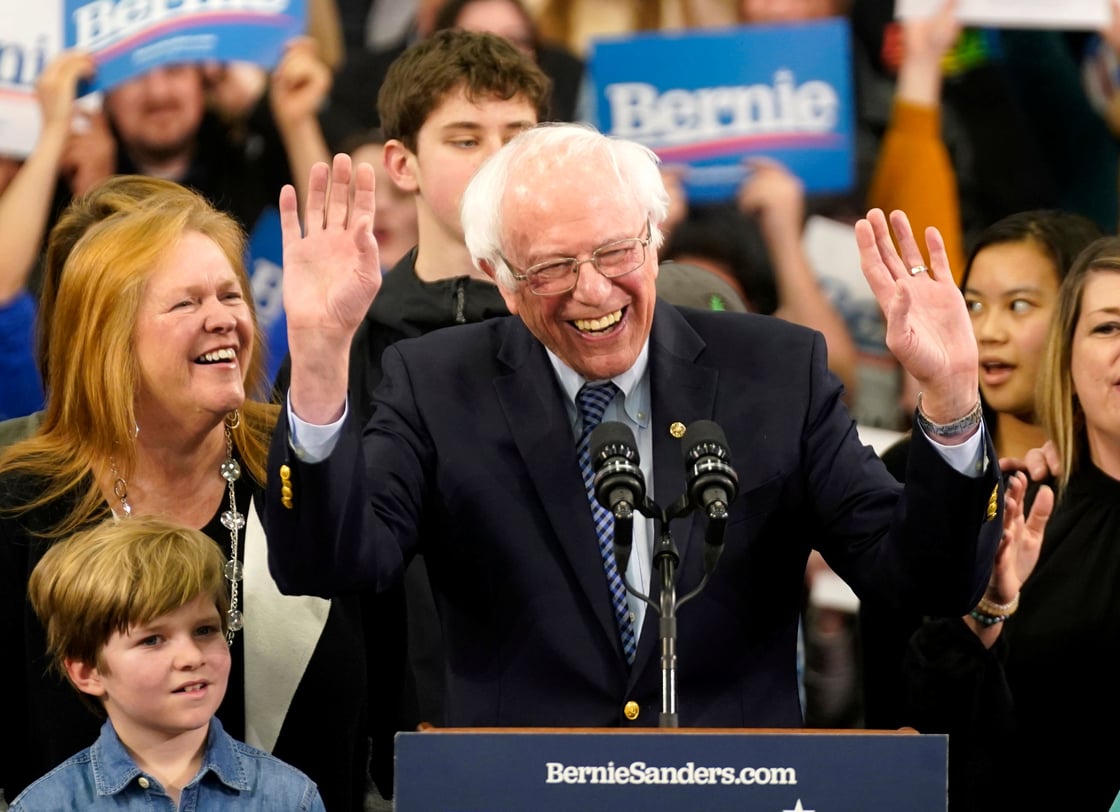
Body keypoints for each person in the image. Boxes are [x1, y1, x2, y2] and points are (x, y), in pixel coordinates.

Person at [264, 123, 1003, 733]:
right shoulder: (435, 383)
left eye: (616, 251)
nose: (593, 290)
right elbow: (330, 565)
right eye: (552, 266)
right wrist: (322, 360)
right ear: (498, 274)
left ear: (654, 239)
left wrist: (950, 397)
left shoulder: (777, 373)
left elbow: (924, 580)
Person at [0, 182, 372, 810]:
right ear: (108, 339)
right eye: (185, 303)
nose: (223, 317)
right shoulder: (20, 505)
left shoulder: (302, 463)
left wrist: (322, 354)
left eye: (231, 294)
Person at [859, 208, 1102, 730]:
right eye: (973, 305)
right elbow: (884, 686)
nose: (988, 330)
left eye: (1019, 305)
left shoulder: (1103, 481)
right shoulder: (910, 469)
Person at [900, 235, 1120, 810]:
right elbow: (930, 726)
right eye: (1107, 327)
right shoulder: (1022, 521)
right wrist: (988, 607)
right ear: (1066, 359)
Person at [10, 516, 326, 811]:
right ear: (87, 672)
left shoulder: (291, 797)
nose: (192, 657)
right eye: (152, 640)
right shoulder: (46, 804)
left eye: (205, 630)